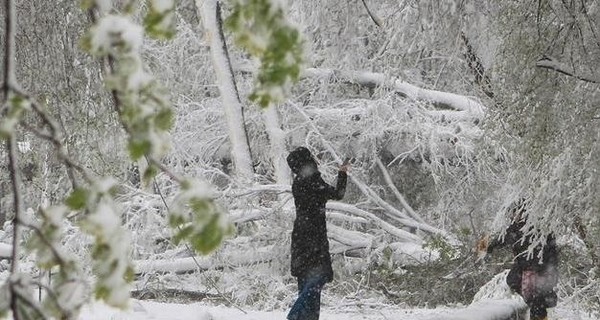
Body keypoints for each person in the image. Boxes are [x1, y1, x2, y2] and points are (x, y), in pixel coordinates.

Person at [286, 147, 349, 320]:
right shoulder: (313, 182)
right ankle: (294, 316)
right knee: (316, 281)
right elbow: (338, 194)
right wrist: (342, 174)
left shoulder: (299, 182)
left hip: (301, 238)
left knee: (307, 283)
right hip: (314, 239)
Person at [484, 200, 559, 320]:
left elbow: (551, 249)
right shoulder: (515, 228)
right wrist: (489, 248)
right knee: (518, 285)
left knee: (537, 302)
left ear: (523, 211)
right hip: (525, 270)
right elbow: (502, 239)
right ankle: (538, 310)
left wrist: (549, 269)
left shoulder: (538, 226)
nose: (512, 216)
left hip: (540, 269)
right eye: (512, 214)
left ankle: (539, 313)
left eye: (515, 213)